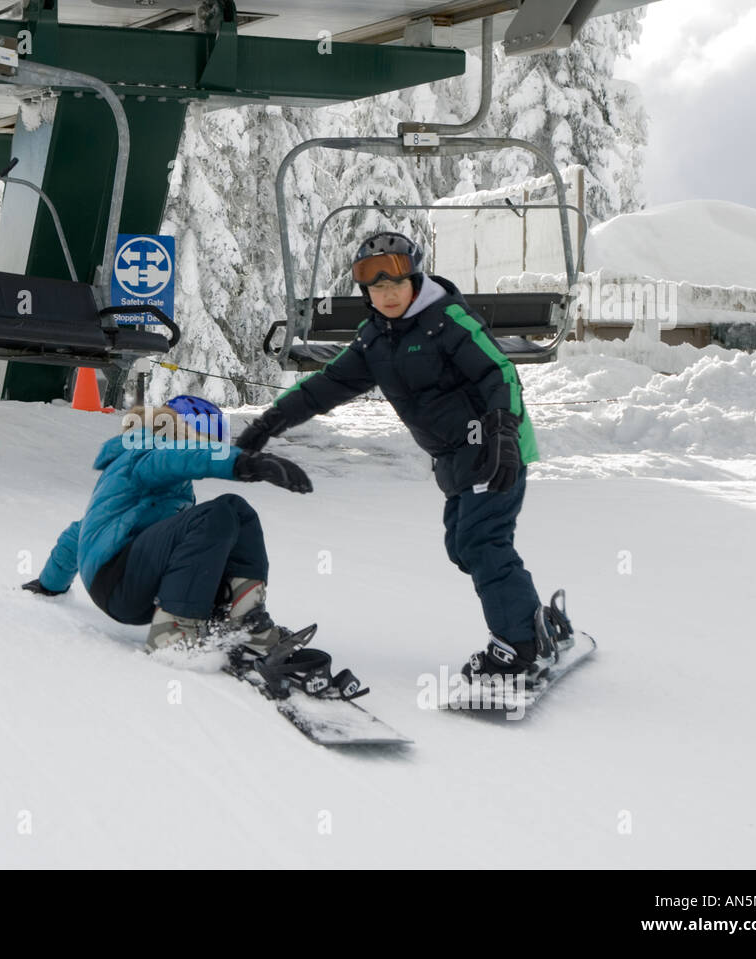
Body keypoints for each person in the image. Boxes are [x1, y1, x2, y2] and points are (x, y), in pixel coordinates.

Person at [237, 232, 571, 680]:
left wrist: (504, 432)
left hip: (493, 446)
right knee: (464, 546)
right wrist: (268, 423)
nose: (387, 295)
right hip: (453, 457)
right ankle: (535, 625)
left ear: (415, 278)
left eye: (395, 284)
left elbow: (499, 372)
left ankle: (519, 648)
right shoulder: (376, 340)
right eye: (376, 288)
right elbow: (326, 386)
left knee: (483, 543)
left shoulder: (447, 320)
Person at [22, 395, 314, 655]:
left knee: (236, 511)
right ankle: (173, 633)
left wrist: (49, 585)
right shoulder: (146, 453)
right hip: (120, 583)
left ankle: (245, 620)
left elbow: (77, 535)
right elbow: (180, 459)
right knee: (217, 514)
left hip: (131, 587)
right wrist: (245, 463)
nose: (206, 448)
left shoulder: (141, 484)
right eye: (203, 441)